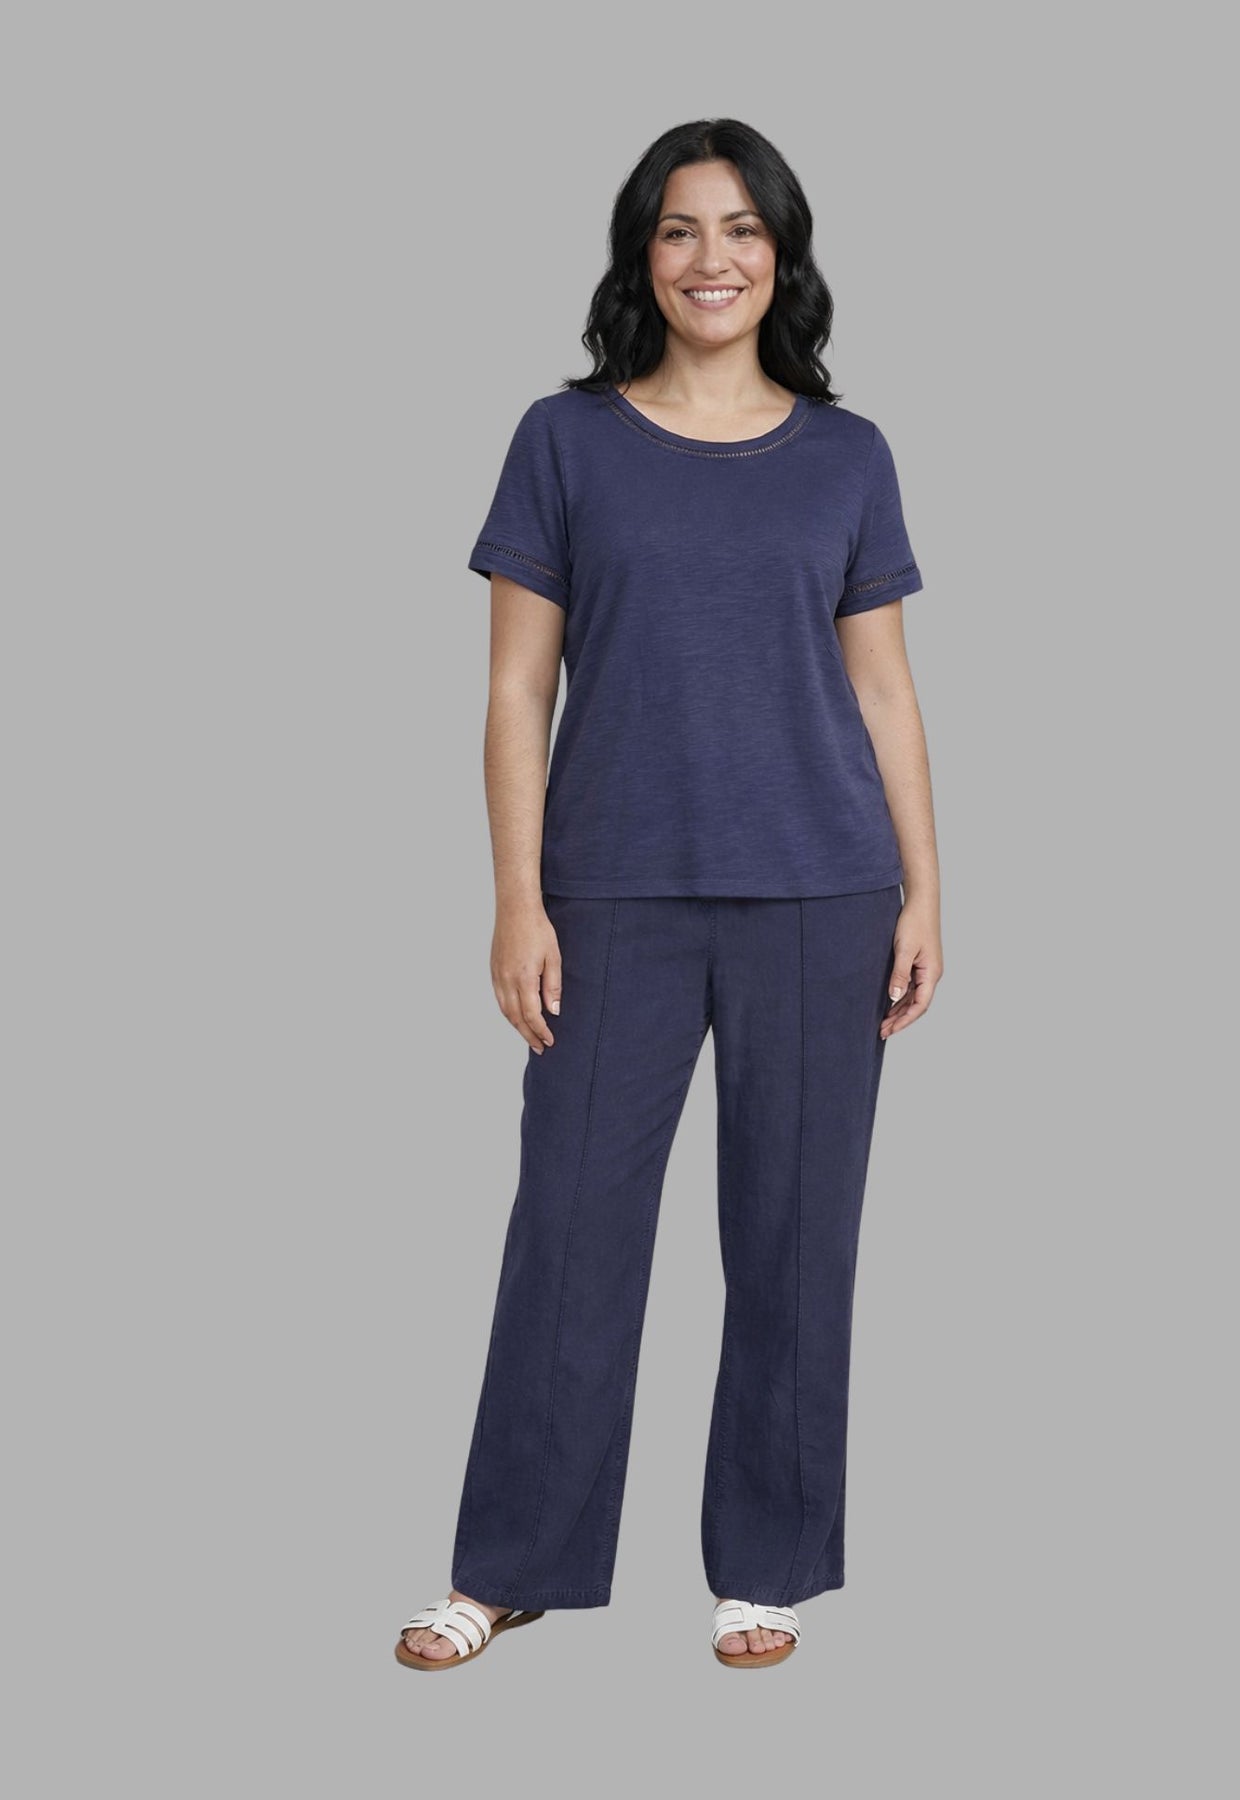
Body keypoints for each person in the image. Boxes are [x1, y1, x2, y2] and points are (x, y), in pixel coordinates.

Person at [396, 117, 943, 1673]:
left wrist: (923, 891)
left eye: (742, 229)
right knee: (568, 1237)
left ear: (782, 254)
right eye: (681, 229)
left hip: (822, 893)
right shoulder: (563, 441)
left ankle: (767, 1564)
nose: (714, 259)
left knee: (793, 1244)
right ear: (642, 255)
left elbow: (884, 694)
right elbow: (517, 691)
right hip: (612, 896)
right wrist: (517, 900)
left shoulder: (847, 456)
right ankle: (507, 1567)